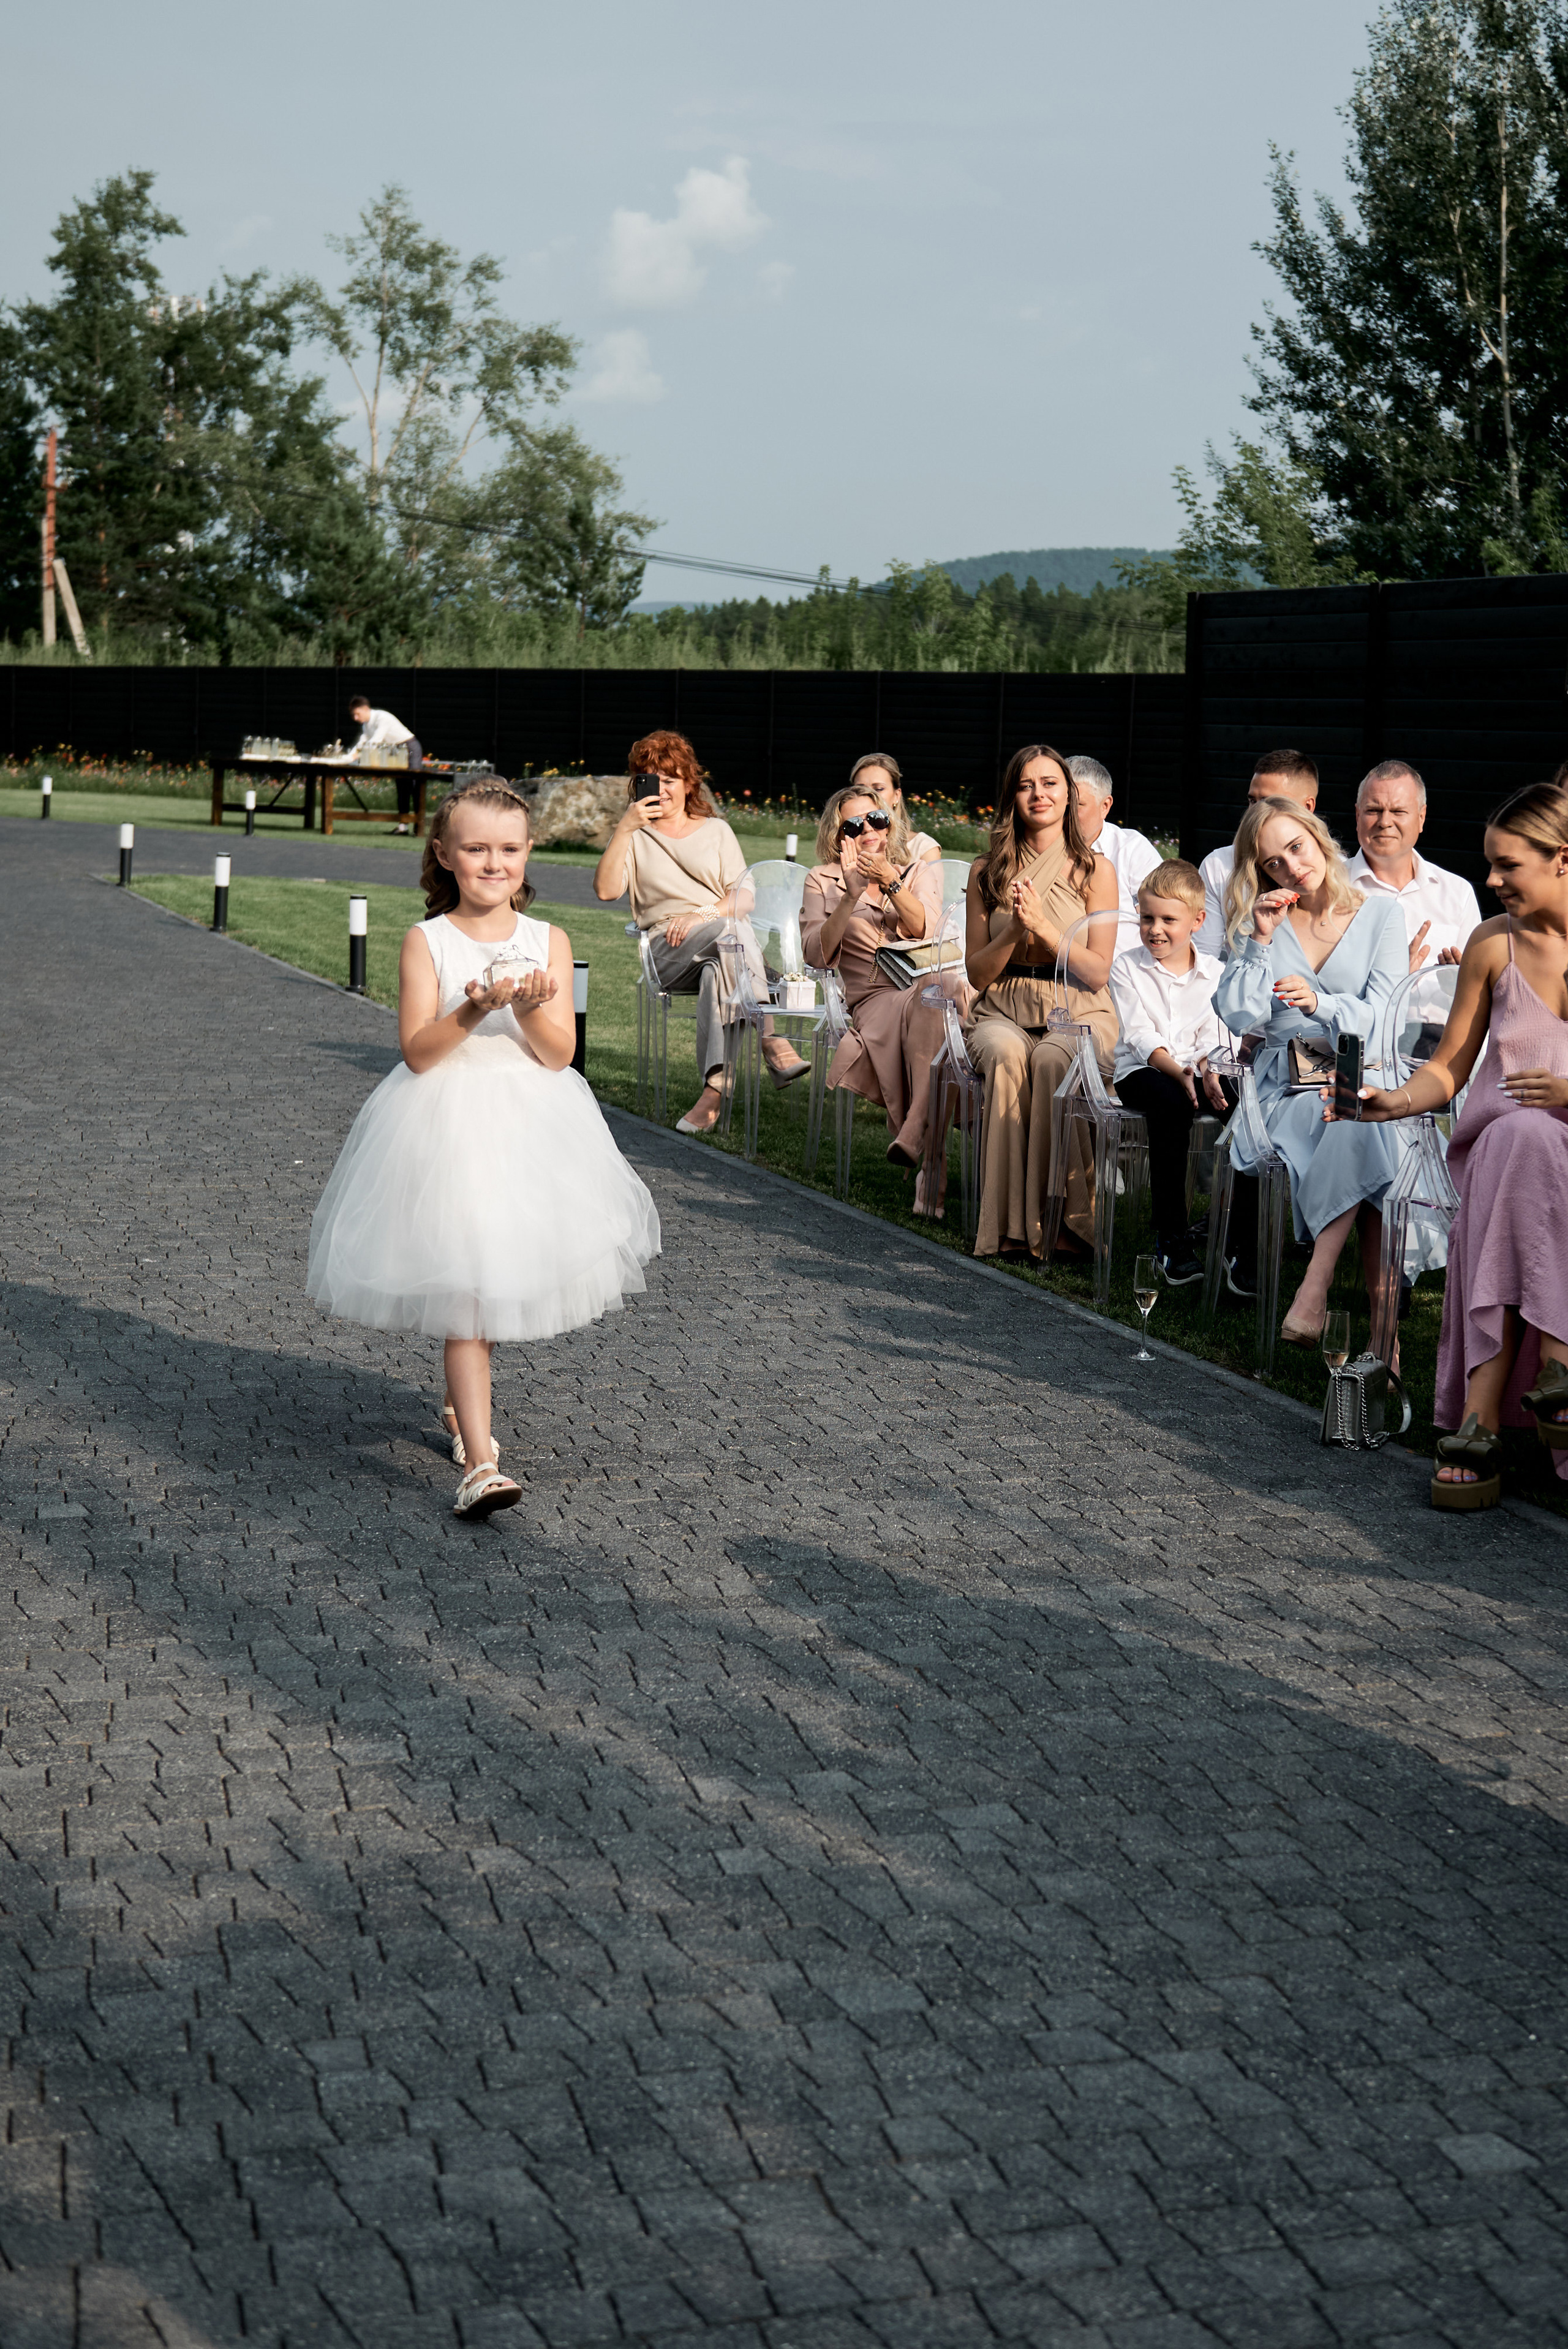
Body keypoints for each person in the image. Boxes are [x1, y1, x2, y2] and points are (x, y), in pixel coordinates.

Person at [306, 780, 661, 1520]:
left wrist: (530, 1008)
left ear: (528, 853)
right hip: (445, 1124)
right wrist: (471, 1006)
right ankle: (482, 1461)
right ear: (445, 854)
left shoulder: (549, 941)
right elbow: (417, 1053)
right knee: (468, 1296)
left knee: (492, 1277)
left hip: (531, 1127)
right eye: (474, 849)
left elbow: (560, 1055)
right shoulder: (425, 940)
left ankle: (456, 1406)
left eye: (507, 849)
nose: (491, 863)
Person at [1344, 780, 1568, 1510]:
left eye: (1508, 866)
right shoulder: (1491, 945)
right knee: (1519, 1136)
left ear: (1562, 858)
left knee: (1527, 1137)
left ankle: (1480, 1419)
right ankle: (1558, 1379)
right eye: (1488, 865)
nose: (1491, 881)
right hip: (1510, 1160)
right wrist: (1392, 1102)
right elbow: (1449, 1066)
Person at [1213, 798, 1406, 1342]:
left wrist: (1321, 1006)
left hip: (1359, 1067)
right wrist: (1261, 940)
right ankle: (1379, 1337)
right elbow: (1238, 1014)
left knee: (1355, 1111)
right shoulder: (1259, 923)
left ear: (1318, 837)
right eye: (1274, 862)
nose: (1292, 867)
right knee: (1364, 1126)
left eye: (1296, 847)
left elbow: (1385, 1018)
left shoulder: (1383, 915)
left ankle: (1313, 1294)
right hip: (1284, 1084)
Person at [592, 730, 808, 1133]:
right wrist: (623, 829)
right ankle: (770, 1035)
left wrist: (699, 915)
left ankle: (714, 1093)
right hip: (666, 948)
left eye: (670, 778)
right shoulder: (635, 836)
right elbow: (606, 891)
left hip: (720, 944)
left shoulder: (717, 831)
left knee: (720, 964)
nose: (663, 788)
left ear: (689, 783)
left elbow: (744, 897)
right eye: (652, 778)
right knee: (733, 933)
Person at [964, 743, 1120, 1259]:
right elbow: (977, 972)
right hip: (1004, 1002)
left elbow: (1098, 971)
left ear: (1068, 793)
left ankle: (1066, 1222)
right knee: (1009, 1057)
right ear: (1012, 795)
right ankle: (1007, 1225)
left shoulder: (1094, 870)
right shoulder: (986, 870)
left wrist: (1048, 931)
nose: (1039, 794)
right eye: (1027, 784)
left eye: (1050, 783)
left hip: (1075, 1003)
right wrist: (1012, 930)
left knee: (1055, 1059)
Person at [801, 783, 947, 1214]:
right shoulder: (822, 879)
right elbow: (816, 954)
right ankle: (932, 1160)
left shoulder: (917, 870)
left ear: (889, 823)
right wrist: (849, 894)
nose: (867, 829)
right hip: (875, 998)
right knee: (943, 998)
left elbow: (928, 932)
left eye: (876, 818)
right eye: (853, 824)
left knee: (944, 991)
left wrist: (891, 881)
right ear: (838, 834)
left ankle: (917, 1137)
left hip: (923, 988)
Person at [1110, 860, 1230, 1284]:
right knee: (1171, 1102)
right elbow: (1139, 1035)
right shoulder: (1127, 967)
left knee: (1237, 1096)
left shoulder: (1215, 973)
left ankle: (1236, 1235)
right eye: (1147, 918)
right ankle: (1172, 1241)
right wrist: (1178, 1071)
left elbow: (1213, 1035)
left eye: (1168, 919)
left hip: (1197, 1068)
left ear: (1198, 920)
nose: (1155, 929)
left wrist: (1208, 1069)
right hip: (1142, 1071)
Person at [1347, 758, 1482, 975]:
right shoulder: (1330, 888)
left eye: (1398, 812)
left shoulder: (1457, 893)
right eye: (1373, 810)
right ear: (1357, 816)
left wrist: (1457, 981)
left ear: (1421, 817)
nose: (1385, 821)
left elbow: (1477, 985)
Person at [1194, 749, 1319, 957]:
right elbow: (1205, 959)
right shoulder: (1219, 865)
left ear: (1307, 807)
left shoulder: (1332, 870)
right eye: (1253, 801)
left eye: (1272, 802)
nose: (1256, 813)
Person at [1066, 755, 1161, 919]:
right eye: (1063, 804)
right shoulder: (1038, 848)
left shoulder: (1133, 850)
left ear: (1105, 806)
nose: (1067, 814)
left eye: (1078, 805)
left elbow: (1161, 920)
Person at [346, 695, 423, 835]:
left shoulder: (383, 718)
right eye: (353, 716)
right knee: (402, 787)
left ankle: (420, 827)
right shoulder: (366, 725)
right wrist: (349, 757)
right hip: (396, 750)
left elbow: (376, 740)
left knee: (414, 785)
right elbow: (363, 741)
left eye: (357, 714)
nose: (355, 718)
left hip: (410, 746)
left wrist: (358, 754)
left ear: (365, 709)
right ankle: (403, 828)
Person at [850, 753, 941, 862]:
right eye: (861, 790)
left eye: (879, 789)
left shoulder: (923, 848)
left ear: (897, 795)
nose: (870, 795)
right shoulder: (846, 843)